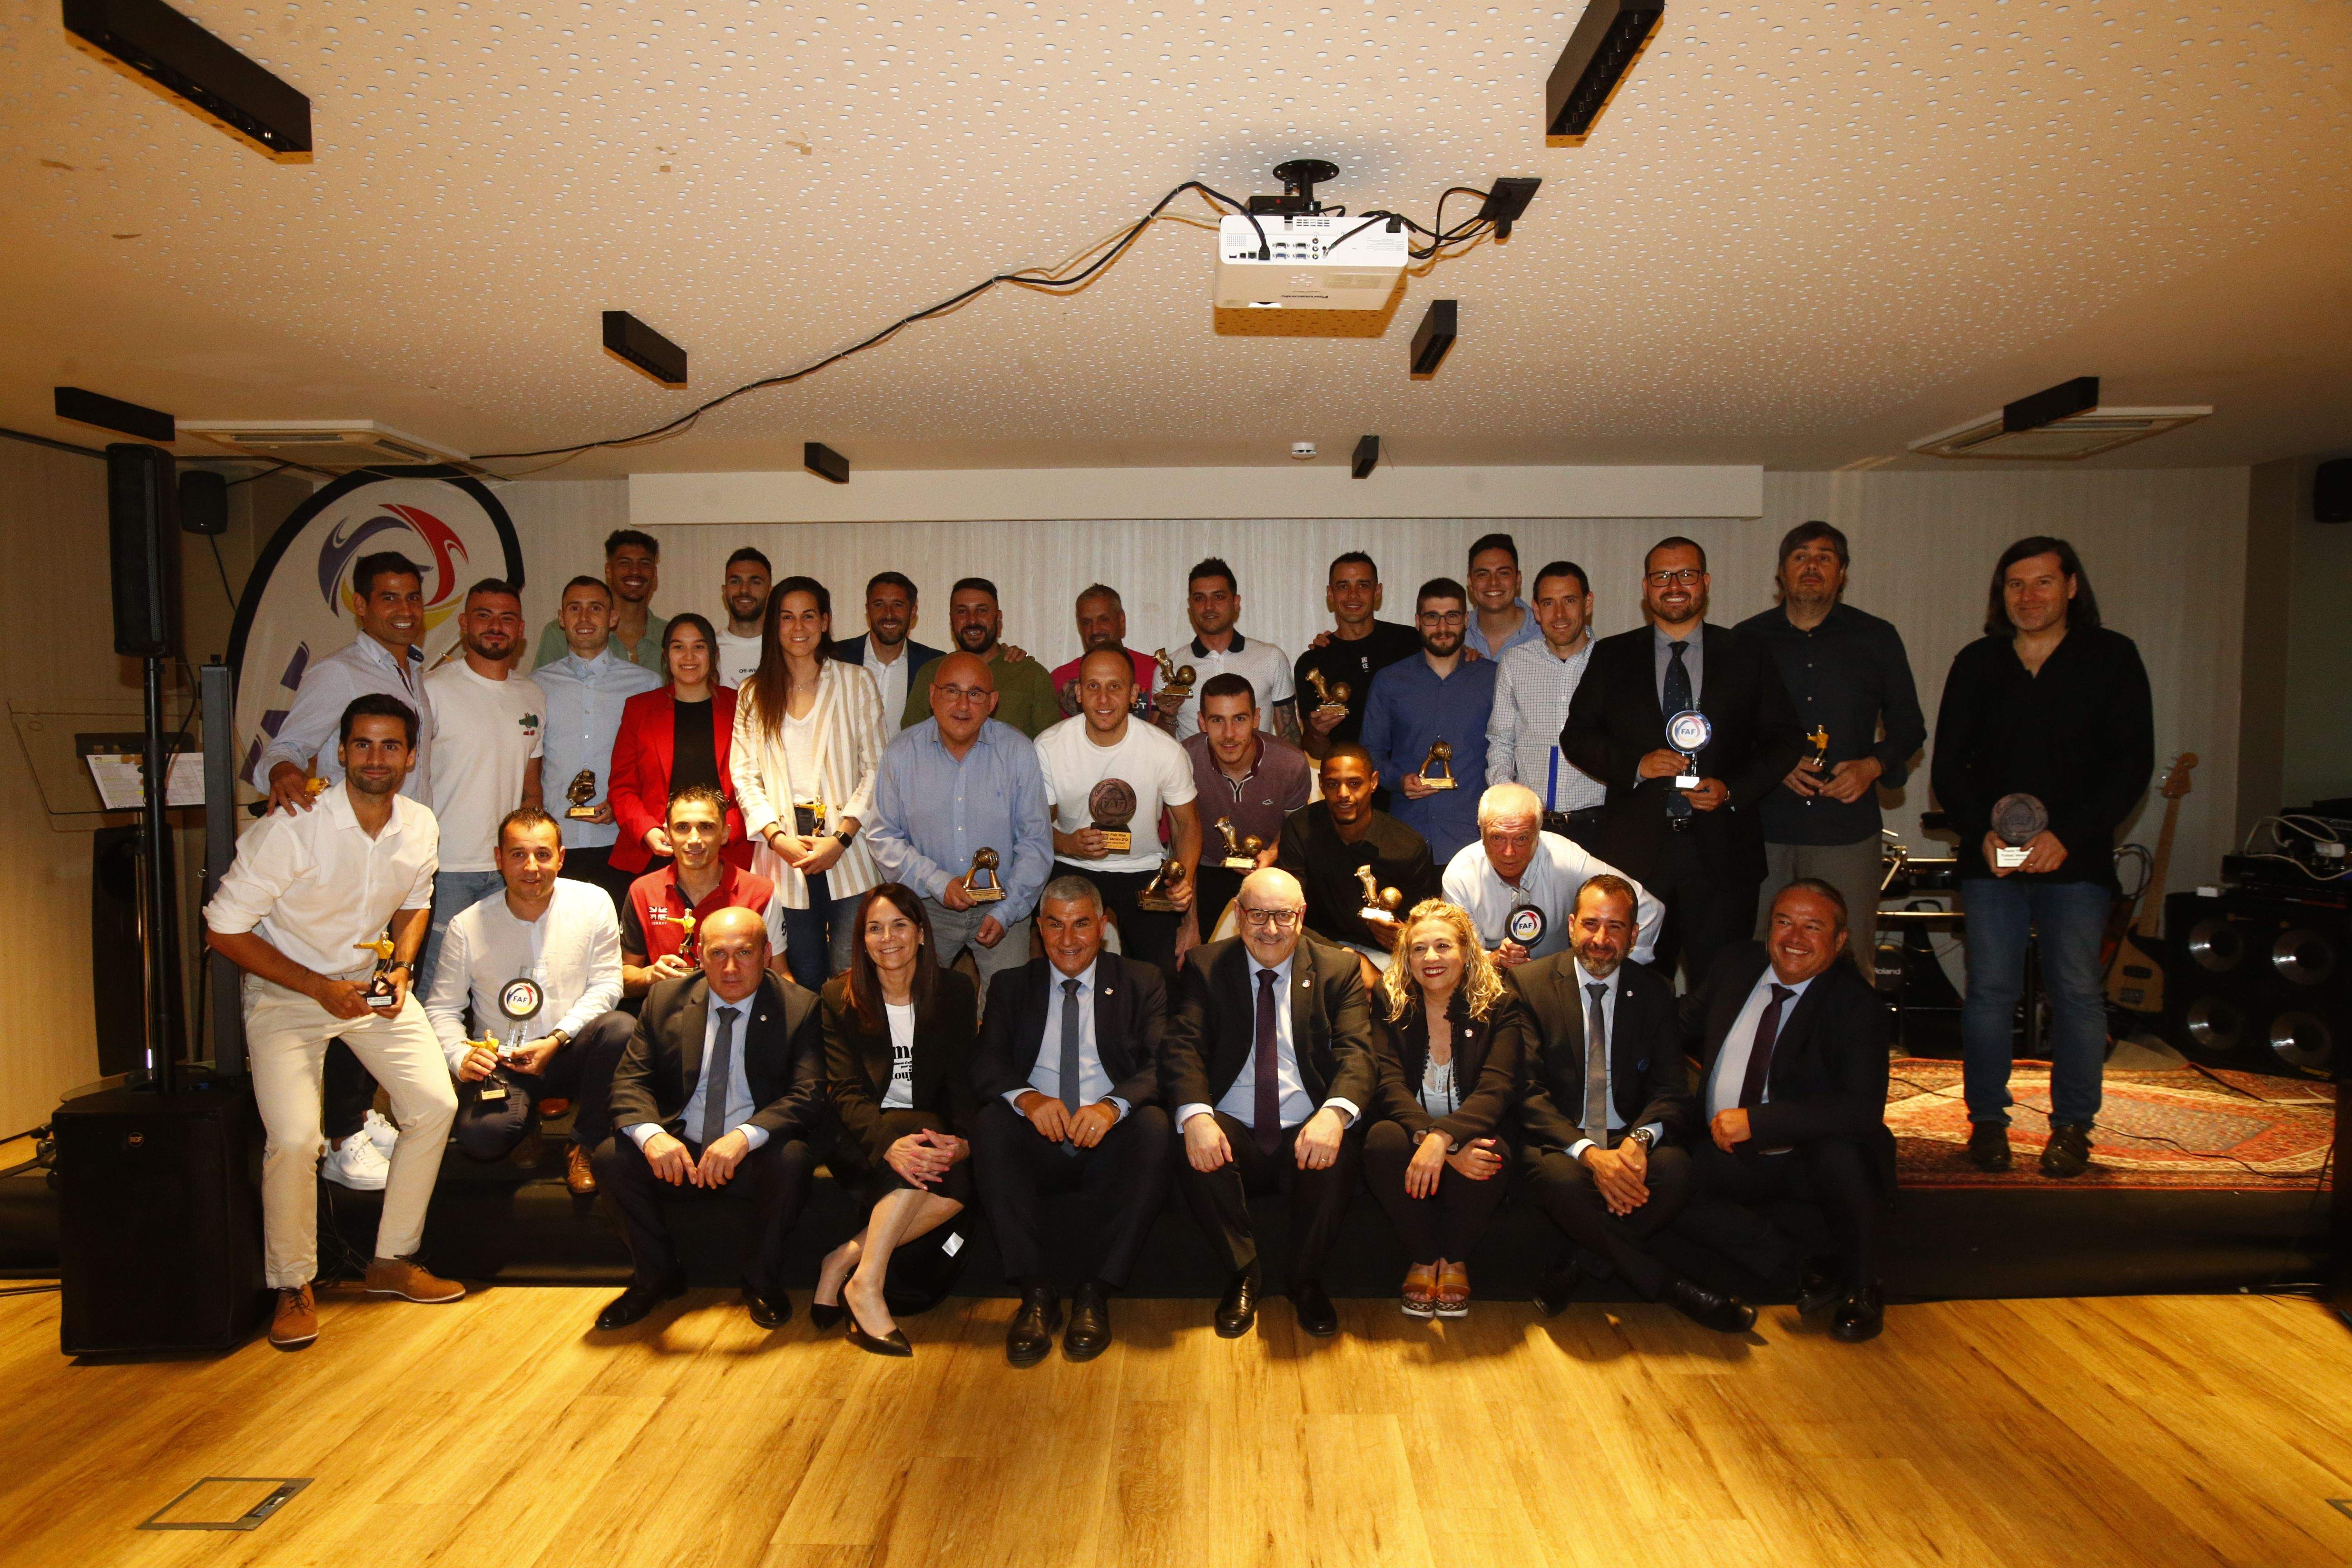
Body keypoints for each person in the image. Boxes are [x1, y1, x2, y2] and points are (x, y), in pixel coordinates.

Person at [203, 694, 463, 1351]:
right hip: (289, 992)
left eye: (391, 746)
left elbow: (414, 904)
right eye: (364, 745)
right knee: (294, 1138)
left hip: (366, 991)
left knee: (433, 1105)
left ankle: (392, 1260)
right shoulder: (291, 827)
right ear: (341, 751)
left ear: (410, 756)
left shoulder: (420, 824)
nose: (378, 758)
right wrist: (318, 988)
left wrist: (400, 969)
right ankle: (293, 1282)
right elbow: (223, 928)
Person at [1930, 536, 2153, 1178]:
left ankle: (2073, 1127)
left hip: (2075, 863)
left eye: (2043, 584)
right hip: (1992, 862)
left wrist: (2072, 837)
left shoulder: (2113, 659)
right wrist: (1982, 834)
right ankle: (1988, 1124)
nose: (2029, 598)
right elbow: (1950, 765)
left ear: (2072, 587)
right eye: (2015, 586)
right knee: (1989, 995)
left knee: (2078, 994)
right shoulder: (1977, 662)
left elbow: (2130, 763)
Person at [1512, 876, 1754, 1333]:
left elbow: (1671, 1089)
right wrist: (1590, 1155)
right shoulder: (1529, 984)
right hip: (1561, 1137)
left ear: (1635, 934)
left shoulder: (1654, 991)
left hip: (1628, 1133)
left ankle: (1580, 1262)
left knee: (1677, 1171)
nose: (1601, 940)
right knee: (1562, 1181)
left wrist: (1640, 1141)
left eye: (1616, 927)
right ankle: (1674, 1288)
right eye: (1591, 925)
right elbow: (1525, 1092)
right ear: (1570, 926)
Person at [1562, 537, 1804, 990]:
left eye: (1686, 575)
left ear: (1705, 583)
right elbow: (1577, 737)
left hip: (1723, 852)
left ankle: (1712, 1064)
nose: (1674, 586)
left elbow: (1785, 739)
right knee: (1634, 986)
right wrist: (1637, 764)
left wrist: (1731, 788)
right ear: (1647, 588)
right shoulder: (1613, 656)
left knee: (1722, 987)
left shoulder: (1746, 654)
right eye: (1662, 577)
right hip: (1638, 855)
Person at [1161, 867, 1375, 1341]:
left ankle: (1304, 1280)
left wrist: (1334, 1114)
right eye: (1258, 914)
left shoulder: (1338, 970)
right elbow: (1183, 1048)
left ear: (1301, 916)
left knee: (1342, 1148)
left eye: (1283, 916)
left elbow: (1359, 1054)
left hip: (1306, 1122)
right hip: (1235, 1122)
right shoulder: (1205, 965)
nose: (1271, 929)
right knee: (1187, 1135)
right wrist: (1197, 1115)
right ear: (1238, 916)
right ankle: (1244, 1275)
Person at [966, 876, 1174, 1365]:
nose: (1068, 939)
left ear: (1102, 927)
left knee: (1156, 1130)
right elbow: (986, 1064)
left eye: (1081, 924)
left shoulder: (1143, 981)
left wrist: (1112, 1107)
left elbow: (1162, 1065)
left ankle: (1095, 1293)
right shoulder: (1011, 985)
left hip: (1110, 1136)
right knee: (991, 1125)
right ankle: (1036, 1295)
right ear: (1038, 929)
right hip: (1040, 1136)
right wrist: (1028, 1099)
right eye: (1055, 926)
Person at [592, 906, 827, 1332]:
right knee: (613, 1157)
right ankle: (657, 1277)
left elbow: (808, 1094)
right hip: (681, 1144)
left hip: (749, 1149)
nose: (731, 967)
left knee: (792, 1159)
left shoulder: (800, 1006)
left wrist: (745, 1136)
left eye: (745, 953)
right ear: (700, 956)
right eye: (718, 954)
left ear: (767, 952)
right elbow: (629, 1082)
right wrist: (652, 1137)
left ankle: (760, 1281)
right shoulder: (665, 1000)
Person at [1735, 522, 1927, 975]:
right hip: (1764, 827)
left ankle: (1847, 1048)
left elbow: (1909, 725)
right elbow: (1727, 729)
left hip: (1846, 828)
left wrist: (1872, 766)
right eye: (1801, 557)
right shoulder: (1746, 640)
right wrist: (1773, 766)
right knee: (1763, 955)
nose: (1812, 566)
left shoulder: (1877, 638)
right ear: (1781, 574)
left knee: (1847, 956)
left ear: (1842, 573)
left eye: (1825, 557)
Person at [424, 807, 634, 1197]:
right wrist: (459, 1057)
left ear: (562, 857)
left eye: (543, 854)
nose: (532, 867)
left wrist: (555, 1040)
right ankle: (524, 1125)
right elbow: (442, 1008)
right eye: (518, 854)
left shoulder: (593, 903)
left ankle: (583, 1142)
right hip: (503, 1059)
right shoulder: (467, 926)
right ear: (499, 859)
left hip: (569, 1050)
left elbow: (607, 985)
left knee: (620, 1028)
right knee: (483, 1141)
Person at [813, 885, 981, 1357]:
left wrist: (965, 1141)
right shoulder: (836, 996)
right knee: (921, 1134)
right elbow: (843, 1092)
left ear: (922, 934)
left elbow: (963, 1080)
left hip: (927, 1130)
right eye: (874, 928)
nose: (888, 938)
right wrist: (886, 1143)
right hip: (858, 1135)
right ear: (862, 941)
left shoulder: (954, 991)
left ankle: (843, 1259)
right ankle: (866, 1284)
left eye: (900, 925)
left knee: (966, 1178)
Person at [1362, 900, 1522, 1318]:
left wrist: (1445, 1138)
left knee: (1493, 1155)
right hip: (1409, 1131)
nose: (1431, 958)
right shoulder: (1390, 997)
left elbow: (1497, 1086)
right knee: (1381, 1142)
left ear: (1467, 952)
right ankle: (1423, 1256)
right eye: (1418, 949)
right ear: (1405, 956)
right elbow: (1387, 1082)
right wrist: (1436, 1141)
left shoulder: (1500, 1002)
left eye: (1443, 946)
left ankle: (1453, 1258)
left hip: (1472, 1127)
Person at [864, 652, 1055, 996]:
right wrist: (938, 882)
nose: (963, 704)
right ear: (933, 695)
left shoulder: (1018, 752)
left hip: (1004, 908)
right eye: (952, 691)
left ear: (992, 702)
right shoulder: (901, 753)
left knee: (1009, 1008)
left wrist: (1008, 910)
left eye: (976, 693)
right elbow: (883, 837)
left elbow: (1036, 844)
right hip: (927, 910)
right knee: (918, 1007)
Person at [732, 575, 889, 983]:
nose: (798, 628)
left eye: (807, 617)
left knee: (850, 978)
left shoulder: (857, 683)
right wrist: (776, 838)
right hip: (782, 857)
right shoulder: (753, 692)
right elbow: (744, 775)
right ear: (774, 626)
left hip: (847, 853)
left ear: (825, 622)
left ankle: (845, 1050)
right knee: (798, 979)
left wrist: (841, 839)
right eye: (786, 618)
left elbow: (876, 769)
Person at [1035, 647, 1201, 977]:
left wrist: (1186, 887)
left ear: (1134, 694)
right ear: (1079, 693)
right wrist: (1069, 844)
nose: (1104, 698)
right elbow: (1035, 828)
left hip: (1144, 868)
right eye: (1093, 686)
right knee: (1065, 966)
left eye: (1115, 686)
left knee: (1160, 976)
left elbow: (1187, 826)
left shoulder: (1166, 751)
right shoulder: (1049, 747)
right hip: (1073, 864)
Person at [419, 578, 545, 993]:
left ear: (521, 629)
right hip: (447, 868)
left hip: (508, 869)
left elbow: (531, 787)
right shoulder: (430, 690)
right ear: (463, 624)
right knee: (436, 985)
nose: (496, 626)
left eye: (507, 618)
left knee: (505, 987)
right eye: (484, 616)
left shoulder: (532, 695)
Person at [254, 551, 439, 814]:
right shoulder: (338, 672)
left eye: (413, 598)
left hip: (410, 838)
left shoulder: (413, 670)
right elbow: (286, 749)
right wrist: (282, 771)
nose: (406, 610)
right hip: (352, 838)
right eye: (390, 598)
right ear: (361, 605)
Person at [534, 575, 665, 909]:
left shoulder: (646, 685)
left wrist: (622, 807)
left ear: (613, 618)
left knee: (623, 947)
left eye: (596, 608)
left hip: (623, 842)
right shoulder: (535, 686)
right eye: (574, 608)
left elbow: (656, 767)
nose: (584, 617)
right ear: (561, 619)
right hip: (557, 841)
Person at [1443, 783, 1662, 969]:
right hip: (1492, 982)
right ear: (1481, 833)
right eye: (1497, 838)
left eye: (1521, 839)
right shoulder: (1460, 876)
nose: (1509, 853)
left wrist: (1612, 972)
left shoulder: (1567, 860)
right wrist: (1496, 958)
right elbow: (1461, 957)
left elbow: (1649, 909)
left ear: (1539, 834)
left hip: (1560, 981)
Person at [607, 612, 754, 884]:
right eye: (679, 647)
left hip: (729, 853)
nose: (689, 657)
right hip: (657, 853)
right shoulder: (639, 709)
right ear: (666, 655)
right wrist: (647, 831)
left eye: (699, 647)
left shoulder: (742, 706)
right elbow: (622, 787)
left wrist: (724, 831)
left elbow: (761, 783)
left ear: (713, 654)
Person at [1274, 744, 1443, 978]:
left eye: (1355, 784)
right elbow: (1285, 914)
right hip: (1315, 948)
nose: (1343, 793)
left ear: (1373, 782)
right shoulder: (1301, 828)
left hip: (1386, 958)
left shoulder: (1407, 846)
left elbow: (1425, 927)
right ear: (1321, 784)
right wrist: (1348, 958)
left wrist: (1405, 936)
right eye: (1333, 784)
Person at [1361, 577, 1498, 866]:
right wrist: (1398, 780)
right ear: (1418, 622)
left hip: (1475, 839)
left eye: (1452, 616)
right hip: (1407, 837)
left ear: (1466, 620)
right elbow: (1370, 753)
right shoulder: (1389, 681)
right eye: (1432, 617)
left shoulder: (1494, 679)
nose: (1443, 627)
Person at [1486, 559, 1607, 845]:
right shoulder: (1515, 662)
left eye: (1570, 601)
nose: (1560, 614)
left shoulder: (1611, 662)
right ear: (1536, 610)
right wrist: (1509, 803)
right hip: (1532, 827)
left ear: (1588, 604)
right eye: (1549, 603)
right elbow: (1501, 741)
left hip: (1599, 825)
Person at [1182, 673, 1314, 934]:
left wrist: (1272, 854)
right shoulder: (1182, 760)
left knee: (1286, 937)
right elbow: (1180, 836)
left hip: (1269, 864)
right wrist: (1189, 925)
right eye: (1217, 720)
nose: (1229, 734)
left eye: (1239, 719)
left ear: (1256, 718)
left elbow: (1294, 827)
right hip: (1204, 866)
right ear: (1202, 722)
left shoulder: (1292, 763)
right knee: (1181, 957)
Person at [620, 785, 779, 999]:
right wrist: (650, 976)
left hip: (740, 1013)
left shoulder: (761, 891)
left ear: (725, 834)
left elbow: (780, 973)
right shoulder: (643, 891)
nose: (694, 839)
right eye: (682, 827)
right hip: (669, 1015)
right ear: (668, 834)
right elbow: (624, 977)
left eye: (706, 827)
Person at [1293, 551, 1423, 761]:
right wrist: (1318, 733)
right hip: (1348, 785)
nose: (1353, 595)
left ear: (1377, 591)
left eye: (1363, 585)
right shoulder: (1312, 663)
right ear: (1330, 594)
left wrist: (1469, 652)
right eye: (1343, 586)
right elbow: (1316, 750)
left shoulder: (1411, 643)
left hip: (1406, 783)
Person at [1156, 557, 1298, 743]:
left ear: (1236, 602)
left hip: (1258, 772)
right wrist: (1169, 715)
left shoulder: (1271, 658)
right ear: (1190, 606)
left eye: (1219, 597)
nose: (1208, 607)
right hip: (1191, 772)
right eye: (1200, 598)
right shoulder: (1168, 669)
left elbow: (1290, 737)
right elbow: (1157, 745)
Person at [899, 578, 1060, 739]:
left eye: (982, 611)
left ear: (998, 619)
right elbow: (911, 742)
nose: (972, 620)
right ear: (952, 619)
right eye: (962, 611)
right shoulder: (932, 673)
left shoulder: (1031, 675)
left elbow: (1050, 747)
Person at [534, 529, 666, 672]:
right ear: (609, 571)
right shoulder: (562, 632)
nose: (635, 571)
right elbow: (542, 687)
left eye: (645, 564)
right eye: (624, 563)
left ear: (655, 574)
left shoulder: (670, 636)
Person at [830, 571, 943, 738]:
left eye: (898, 605)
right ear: (868, 610)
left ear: (913, 612)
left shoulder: (935, 664)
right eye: (879, 605)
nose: (889, 614)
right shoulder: (835, 657)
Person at [1049, 583, 1158, 718]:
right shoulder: (1059, 678)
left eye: (1103, 620)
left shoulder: (1155, 671)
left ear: (1122, 621)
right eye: (1086, 623)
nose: (1095, 630)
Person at [1463, 532, 1542, 660]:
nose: (1493, 582)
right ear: (1471, 583)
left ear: (1518, 580)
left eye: (1504, 573)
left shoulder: (1546, 633)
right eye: (1483, 574)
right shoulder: (1455, 634)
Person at [713, 547, 772, 689]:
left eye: (755, 582)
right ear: (724, 590)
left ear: (770, 591)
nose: (744, 590)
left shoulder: (785, 648)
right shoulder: (708, 649)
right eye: (735, 582)